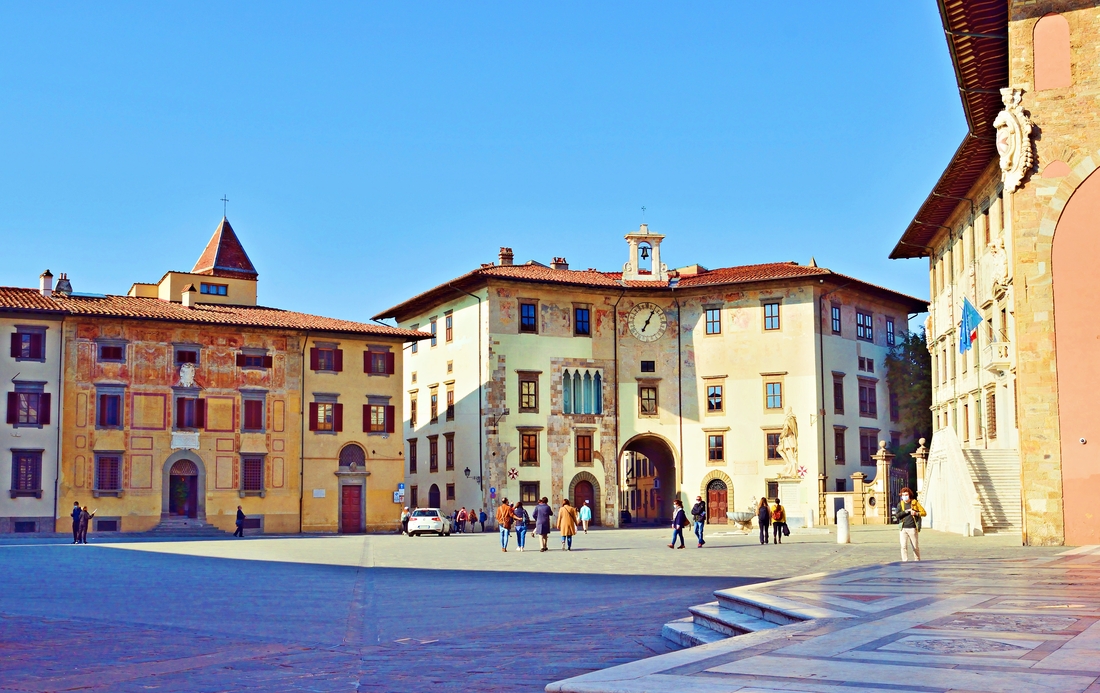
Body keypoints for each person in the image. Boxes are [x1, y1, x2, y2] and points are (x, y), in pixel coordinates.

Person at [895, 487, 927, 562]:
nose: (904, 496)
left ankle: (917, 560)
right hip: (903, 528)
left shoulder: (914, 503)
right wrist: (906, 511)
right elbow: (897, 515)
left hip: (912, 528)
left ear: (909, 495)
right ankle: (904, 561)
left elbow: (924, 513)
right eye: (903, 495)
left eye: (906, 494)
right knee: (903, 546)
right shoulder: (900, 504)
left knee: (915, 547)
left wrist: (916, 513)